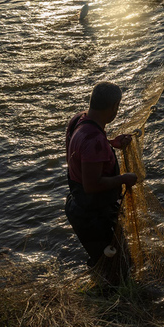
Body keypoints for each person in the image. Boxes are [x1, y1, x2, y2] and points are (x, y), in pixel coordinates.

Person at [65, 82, 137, 270]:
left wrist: (110, 143)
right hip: (92, 217)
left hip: (77, 205)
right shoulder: (94, 141)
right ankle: (108, 295)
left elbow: (85, 153)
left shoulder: (79, 120)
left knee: (103, 261)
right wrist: (124, 178)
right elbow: (91, 185)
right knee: (118, 268)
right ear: (114, 107)